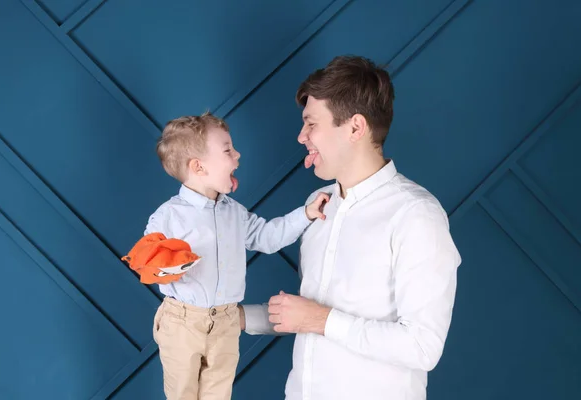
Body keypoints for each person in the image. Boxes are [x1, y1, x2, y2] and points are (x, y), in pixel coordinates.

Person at [239, 55, 462, 400]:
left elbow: (422, 346)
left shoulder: (416, 215)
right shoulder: (319, 202)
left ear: (356, 128)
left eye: (311, 124)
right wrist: (230, 318)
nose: (301, 137)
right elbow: (306, 316)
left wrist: (320, 320)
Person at [142, 112, 329, 400]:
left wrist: (305, 214)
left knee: (218, 394)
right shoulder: (168, 217)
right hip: (182, 322)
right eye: (228, 149)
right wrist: (168, 265)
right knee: (182, 394)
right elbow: (149, 262)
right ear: (198, 167)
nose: (238, 155)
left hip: (226, 323)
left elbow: (268, 237)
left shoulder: (235, 213)